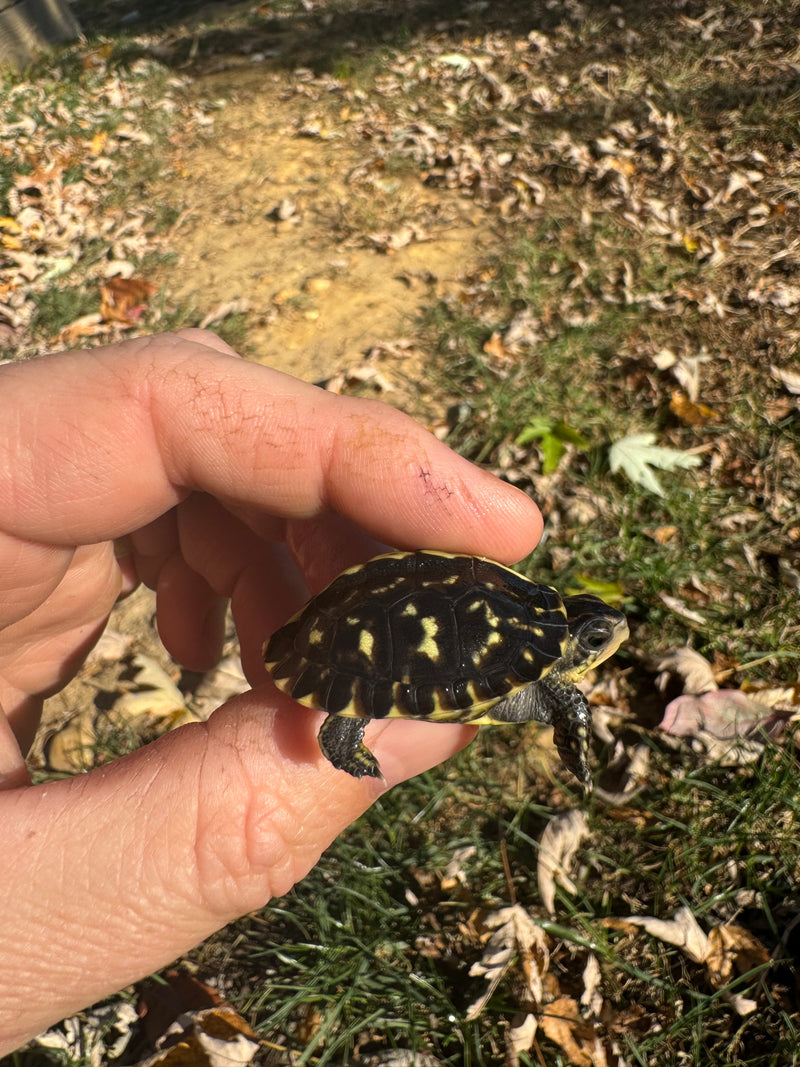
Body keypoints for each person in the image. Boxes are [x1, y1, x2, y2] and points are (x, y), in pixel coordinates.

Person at [0, 330, 542, 1053]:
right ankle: (349, 730)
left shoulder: (530, 638)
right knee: (349, 716)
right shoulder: (534, 656)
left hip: (372, 627)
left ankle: (351, 719)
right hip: (362, 651)